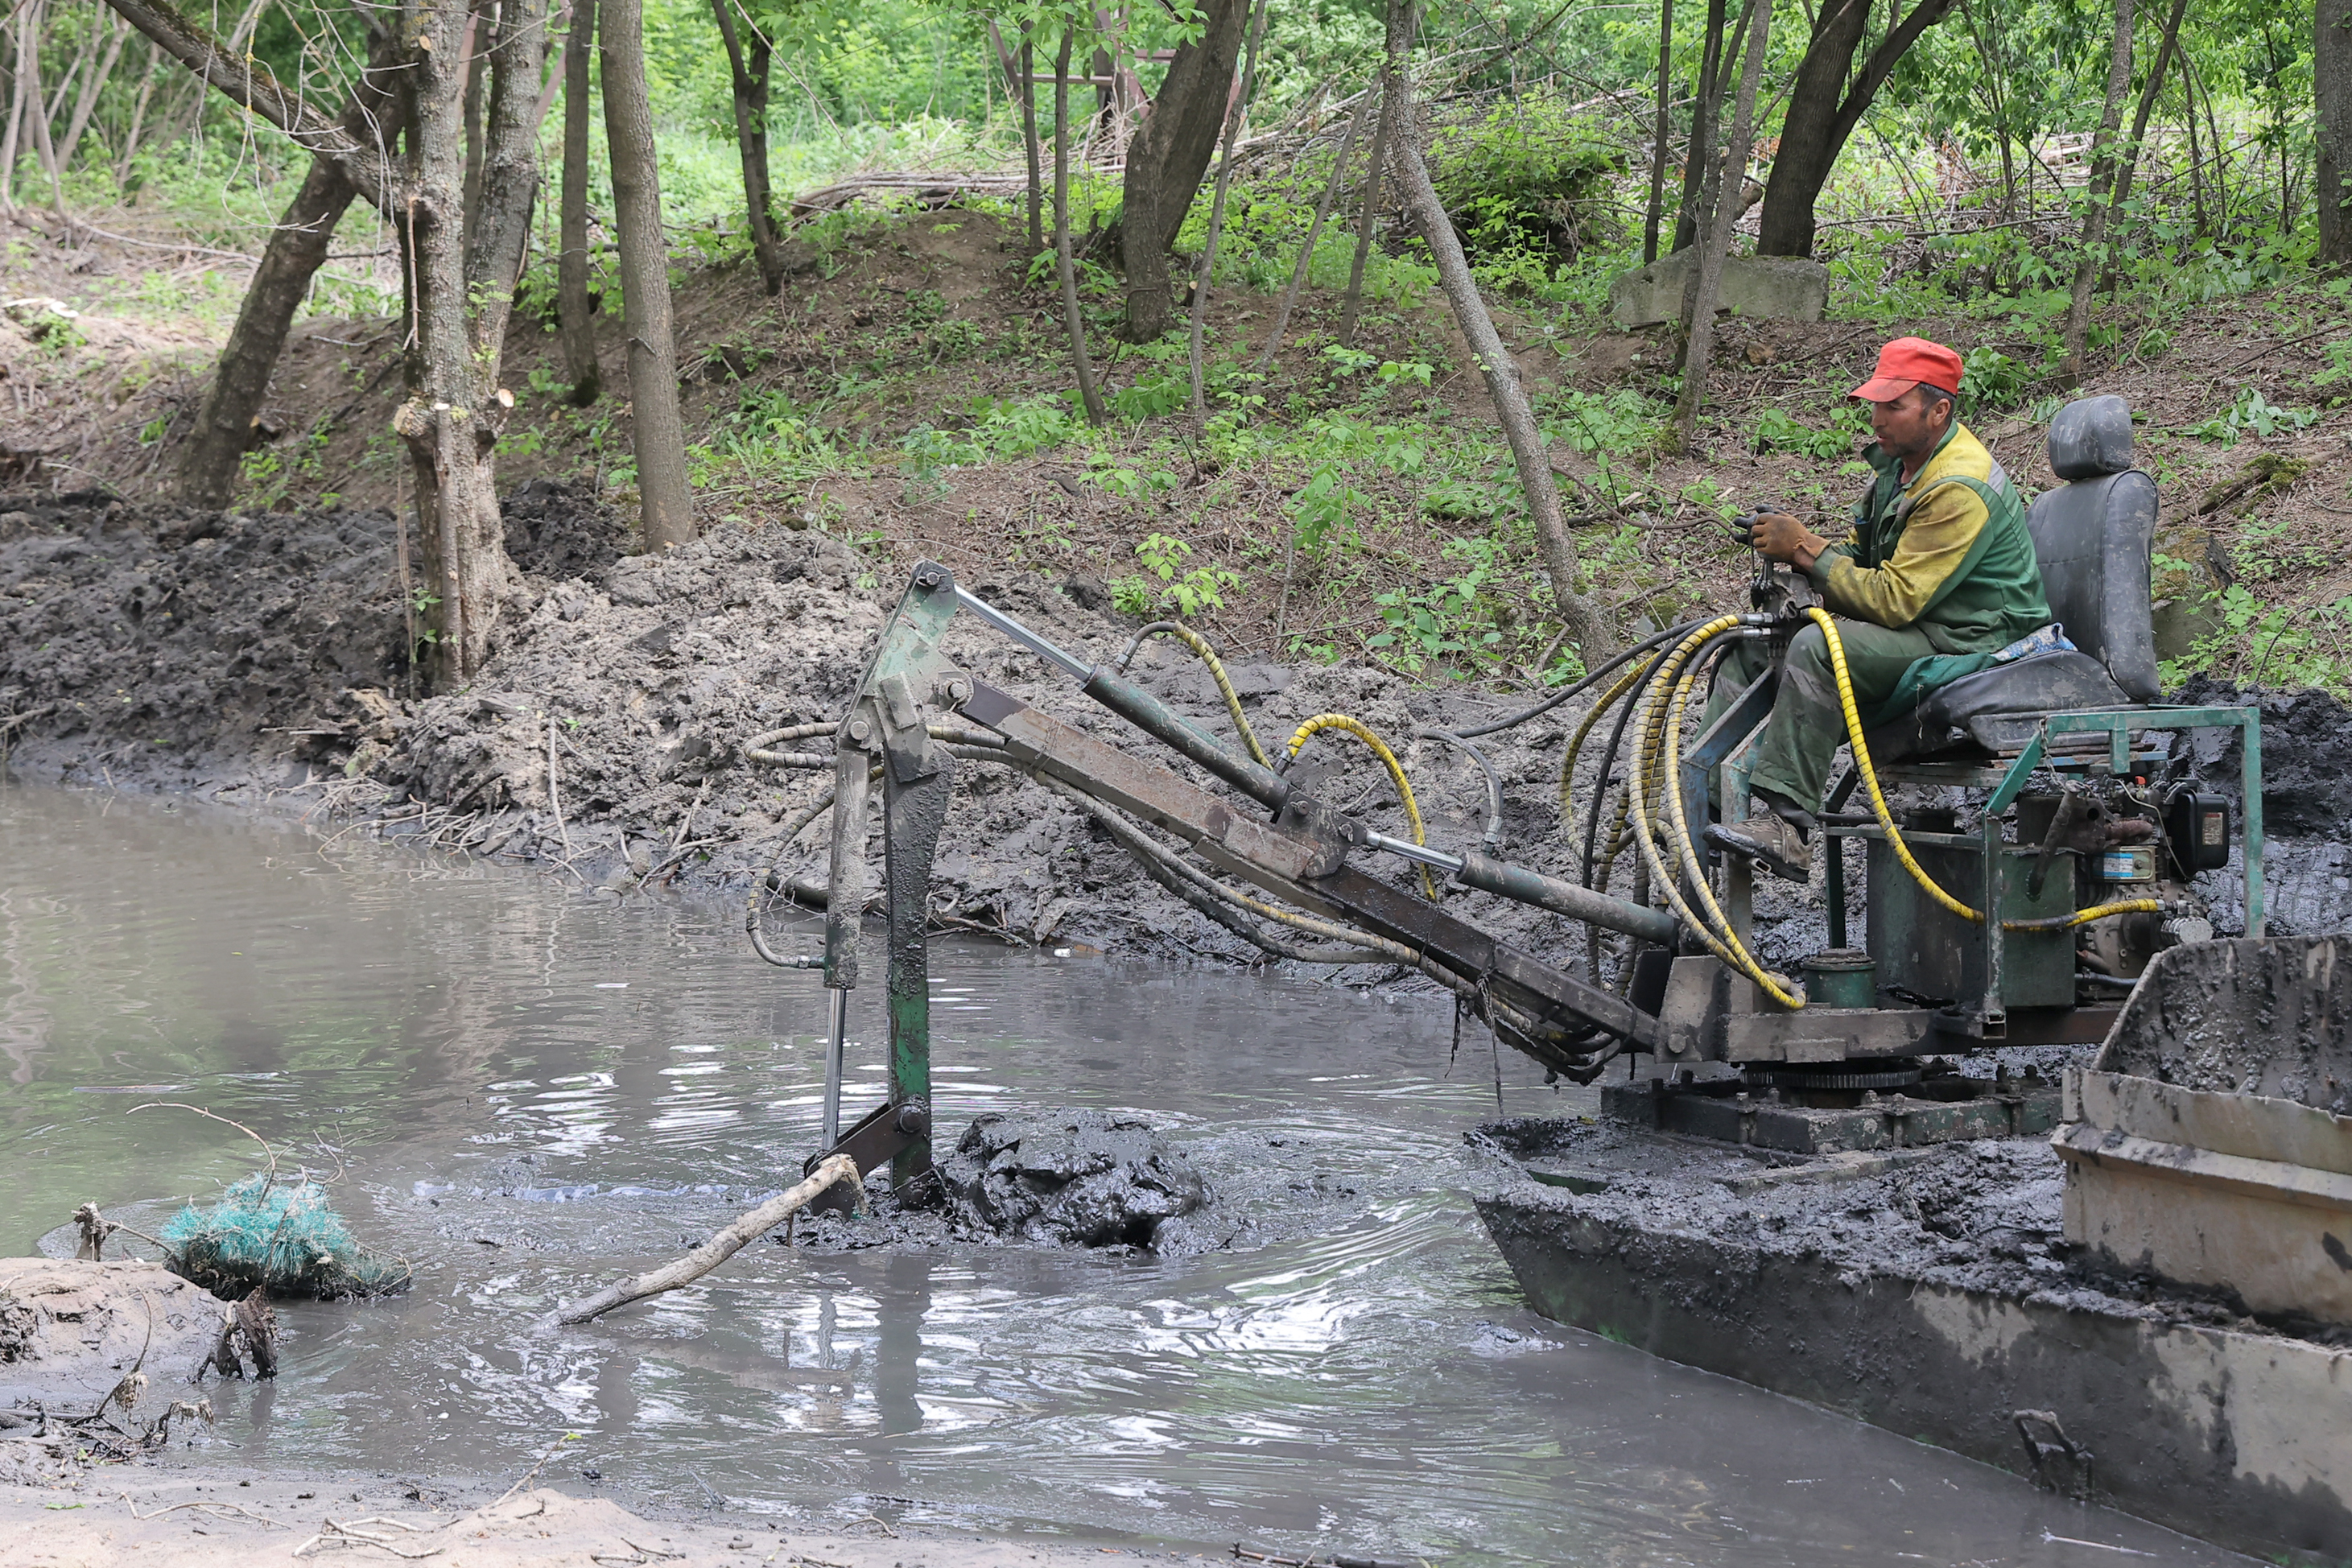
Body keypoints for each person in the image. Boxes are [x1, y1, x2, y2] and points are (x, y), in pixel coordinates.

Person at [1704, 336, 2053, 879]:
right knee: (1750, 651)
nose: (1877, 419)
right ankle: (1698, 806)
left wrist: (1804, 549)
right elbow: (1859, 559)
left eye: (1894, 406)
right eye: (1875, 404)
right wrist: (1800, 549)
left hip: (1974, 642)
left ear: (1939, 411)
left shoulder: (1960, 487)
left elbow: (1894, 599)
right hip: (1925, 626)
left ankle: (1789, 829)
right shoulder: (1900, 469)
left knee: (1820, 649)